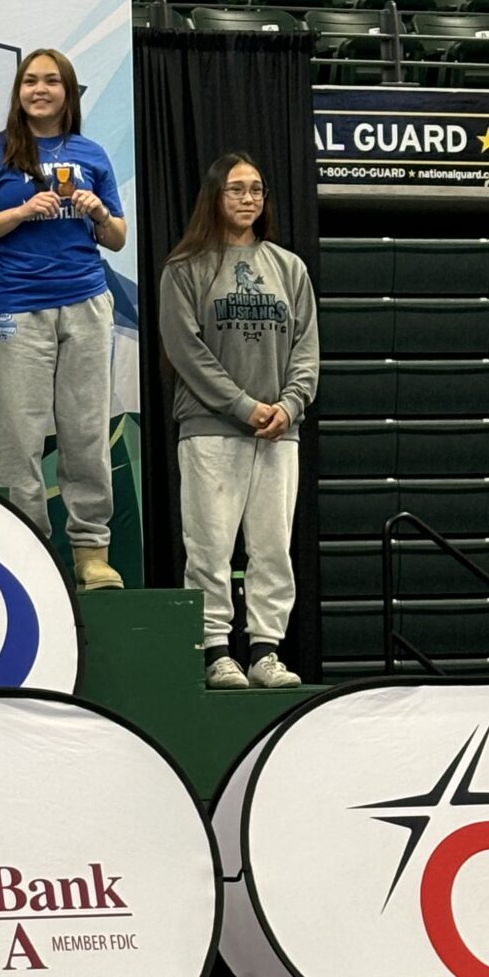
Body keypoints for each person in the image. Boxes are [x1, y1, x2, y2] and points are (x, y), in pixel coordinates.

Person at [0, 47, 127, 591]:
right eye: (30, 81)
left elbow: (118, 238)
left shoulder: (92, 154)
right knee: (16, 436)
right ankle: (29, 551)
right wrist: (22, 212)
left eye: (52, 81)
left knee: (86, 431)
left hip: (86, 303)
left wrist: (98, 212)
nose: (40, 89)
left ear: (68, 93)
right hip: (17, 306)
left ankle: (90, 555)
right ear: (18, 93)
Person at [160, 152, 318, 690]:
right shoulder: (186, 268)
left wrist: (288, 407)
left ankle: (266, 652)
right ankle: (216, 653)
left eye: (256, 189)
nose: (248, 198)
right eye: (236, 190)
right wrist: (242, 406)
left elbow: (307, 351)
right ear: (214, 197)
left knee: (273, 546)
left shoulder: (290, 268)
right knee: (210, 546)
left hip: (279, 432)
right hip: (211, 429)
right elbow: (186, 351)